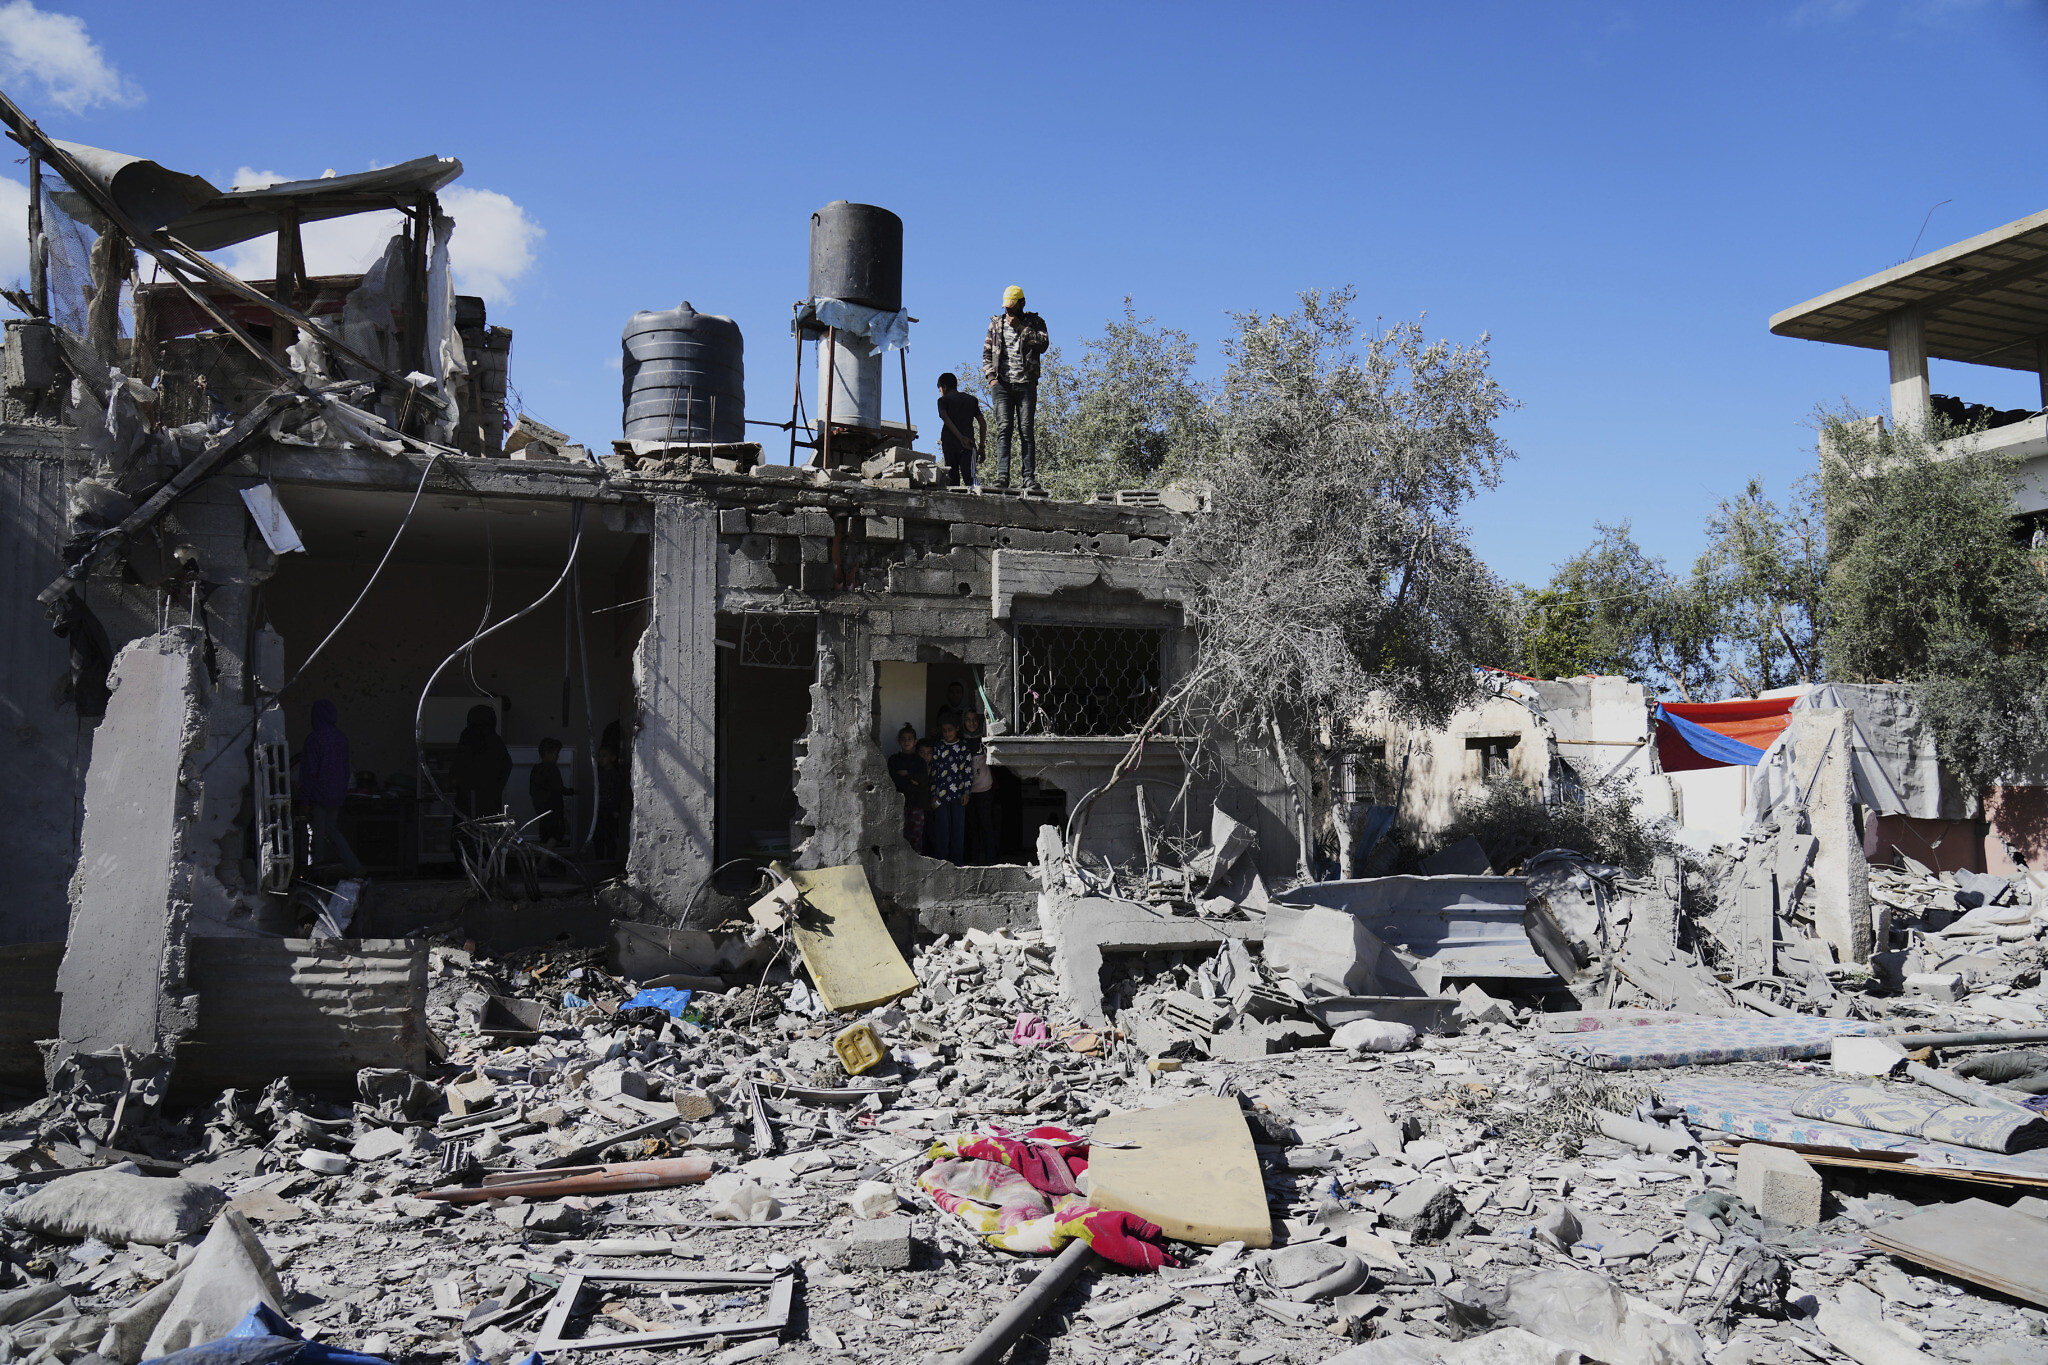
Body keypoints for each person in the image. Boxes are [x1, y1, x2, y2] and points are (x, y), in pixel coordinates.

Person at [981, 285, 1049, 492]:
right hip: (1001, 385)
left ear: (1022, 303)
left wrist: (1020, 327)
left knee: (1026, 430)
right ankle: (1002, 476)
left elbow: (1043, 344)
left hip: (1026, 384)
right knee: (1004, 429)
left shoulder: (1036, 322)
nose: (1008, 312)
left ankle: (1028, 477)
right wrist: (991, 379)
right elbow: (986, 354)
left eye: (1012, 307)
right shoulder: (996, 324)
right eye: (1006, 308)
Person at [298, 699, 362, 876]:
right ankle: (354, 867)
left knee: (316, 835)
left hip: (318, 796)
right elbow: (345, 768)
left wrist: (304, 800)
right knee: (332, 830)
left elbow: (309, 772)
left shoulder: (314, 739)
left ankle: (317, 874)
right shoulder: (341, 738)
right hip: (336, 795)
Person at [450, 703, 512, 820]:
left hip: (475, 798)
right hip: (483, 799)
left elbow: (458, 765)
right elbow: (506, 765)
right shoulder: (491, 740)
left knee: (472, 830)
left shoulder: (471, 737)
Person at [927, 718, 974, 865]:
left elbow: (968, 770)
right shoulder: (939, 746)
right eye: (945, 731)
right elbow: (934, 771)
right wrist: (933, 794)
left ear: (957, 729)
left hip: (958, 796)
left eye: (950, 730)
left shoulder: (963, 746)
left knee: (958, 830)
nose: (947, 733)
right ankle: (942, 863)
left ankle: (957, 864)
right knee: (942, 830)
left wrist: (967, 791)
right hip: (941, 796)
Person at [934, 372, 986, 489]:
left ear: (944, 387)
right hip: (968, 445)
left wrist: (959, 437)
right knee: (971, 479)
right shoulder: (971, 400)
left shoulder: (943, 400)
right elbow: (982, 422)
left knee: (952, 479)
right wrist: (981, 446)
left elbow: (944, 416)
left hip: (949, 444)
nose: (940, 392)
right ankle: (976, 500)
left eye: (940, 389)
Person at [962, 709, 997, 864]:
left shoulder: (985, 740)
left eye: (975, 719)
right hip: (967, 792)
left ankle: (991, 860)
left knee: (986, 825)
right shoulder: (960, 741)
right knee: (972, 826)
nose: (972, 723)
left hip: (985, 789)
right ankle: (974, 861)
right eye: (968, 719)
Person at [886, 725, 929, 852]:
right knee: (898, 838)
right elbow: (893, 780)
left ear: (915, 741)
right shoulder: (894, 760)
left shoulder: (920, 761)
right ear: (899, 741)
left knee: (916, 838)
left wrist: (907, 773)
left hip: (916, 804)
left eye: (910, 738)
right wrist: (911, 780)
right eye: (903, 739)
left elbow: (922, 780)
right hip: (898, 804)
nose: (907, 741)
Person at [529, 736, 575, 847]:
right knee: (556, 833)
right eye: (556, 754)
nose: (557, 757)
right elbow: (559, 788)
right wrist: (572, 791)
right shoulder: (551, 769)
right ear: (548, 753)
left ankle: (544, 858)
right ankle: (543, 861)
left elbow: (532, 790)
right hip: (553, 810)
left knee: (545, 836)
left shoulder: (536, 769)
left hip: (541, 810)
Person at [592, 741, 625, 860]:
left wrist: (615, 809)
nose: (601, 759)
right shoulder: (599, 774)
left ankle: (610, 863)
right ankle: (599, 861)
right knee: (598, 838)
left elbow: (617, 792)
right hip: (600, 810)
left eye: (604, 756)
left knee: (610, 838)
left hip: (610, 811)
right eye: (599, 756)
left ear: (612, 758)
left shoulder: (615, 774)